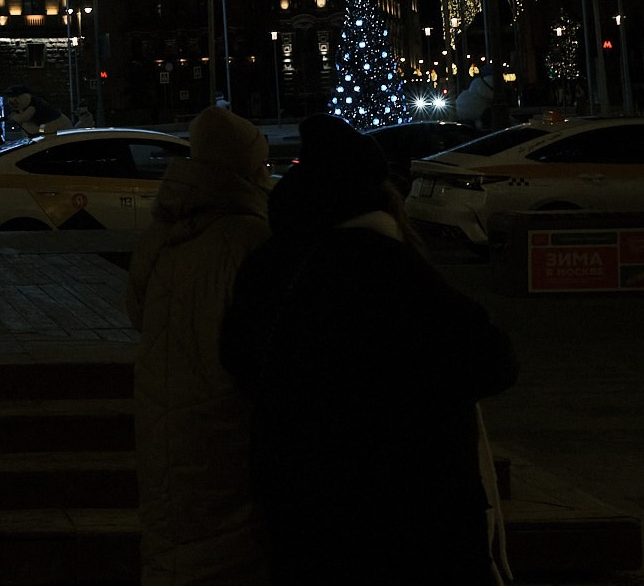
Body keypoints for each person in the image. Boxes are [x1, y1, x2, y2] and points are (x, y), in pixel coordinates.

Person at [222, 115, 518, 586]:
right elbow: (491, 359)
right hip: (408, 510)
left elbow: (239, 357)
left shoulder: (272, 264)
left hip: (304, 505)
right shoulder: (388, 269)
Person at [127, 106, 275, 586]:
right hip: (227, 423)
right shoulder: (251, 239)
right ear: (243, 171)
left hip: (164, 414)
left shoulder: (163, 234)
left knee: (175, 543)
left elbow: (137, 311)